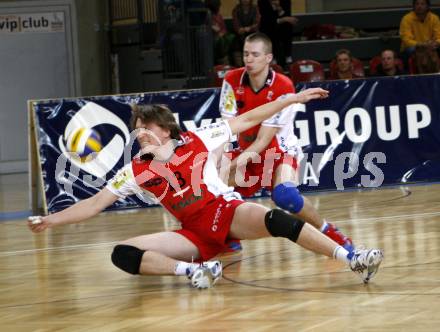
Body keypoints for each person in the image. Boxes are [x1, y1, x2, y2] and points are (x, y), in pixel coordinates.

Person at [28, 91, 384, 289]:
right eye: (136, 128)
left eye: (145, 126)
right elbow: (95, 203)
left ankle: (351, 258)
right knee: (122, 253)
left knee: (278, 218)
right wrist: (50, 220)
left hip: (224, 212)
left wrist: (289, 100)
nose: (139, 133)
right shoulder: (135, 170)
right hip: (193, 234)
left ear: (165, 130)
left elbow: (246, 119)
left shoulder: (197, 140)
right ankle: (196, 271)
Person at [219, 33, 355, 254]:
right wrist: (221, 163)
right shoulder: (231, 80)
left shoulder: (283, 86)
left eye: (255, 54)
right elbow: (228, 127)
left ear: (268, 58)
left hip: (279, 152)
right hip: (247, 150)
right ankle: (227, 235)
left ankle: (331, 232)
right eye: (245, 54)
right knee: (216, 187)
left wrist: (230, 166)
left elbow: (263, 140)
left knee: (285, 196)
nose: (248, 59)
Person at [399, 0, 440, 66]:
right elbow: (406, 40)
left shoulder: (434, 18)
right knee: (411, 50)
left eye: (422, 4)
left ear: (427, 6)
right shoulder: (406, 19)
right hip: (413, 47)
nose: (419, 6)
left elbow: (439, 36)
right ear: (413, 6)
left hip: (430, 46)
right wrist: (422, 45)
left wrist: (436, 43)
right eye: (417, 4)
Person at [258, 0, 298, 67]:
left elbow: (287, 15)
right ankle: (273, 58)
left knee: (287, 26)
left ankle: (288, 56)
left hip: (281, 26)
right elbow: (266, 19)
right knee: (272, 29)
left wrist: (279, 8)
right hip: (267, 26)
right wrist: (283, 19)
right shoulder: (262, 2)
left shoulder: (286, 1)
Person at [231, 0, 261, 67]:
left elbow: (257, 23)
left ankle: (255, 64)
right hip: (240, 34)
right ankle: (239, 67)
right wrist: (240, 29)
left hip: (253, 33)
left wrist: (249, 28)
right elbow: (236, 25)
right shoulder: (236, 10)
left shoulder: (255, 9)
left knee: (255, 40)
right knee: (236, 42)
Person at [206, 0, 235, 65]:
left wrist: (222, 33)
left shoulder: (219, 15)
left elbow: (224, 28)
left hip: (222, 36)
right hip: (211, 38)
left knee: (231, 38)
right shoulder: (206, 15)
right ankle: (224, 62)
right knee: (219, 42)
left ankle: (227, 63)